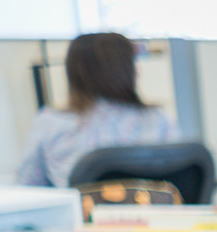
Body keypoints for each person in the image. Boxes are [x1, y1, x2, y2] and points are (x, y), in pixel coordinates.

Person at [14, 32, 179, 187]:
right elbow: (181, 180)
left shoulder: (51, 123)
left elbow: (26, 189)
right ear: (128, 72)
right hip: (152, 215)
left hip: (82, 216)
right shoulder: (157, 119)